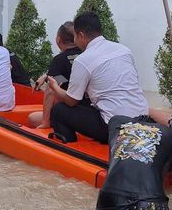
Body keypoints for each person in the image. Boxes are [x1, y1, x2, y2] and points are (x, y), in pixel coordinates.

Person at [47, 11, 148, 143]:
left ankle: (68, 147)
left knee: (59, 110)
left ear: (81, 35)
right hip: (143, 120)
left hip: (113, 127)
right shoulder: (124, 50)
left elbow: (72, 101)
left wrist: (54, 87)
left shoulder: (83, 59)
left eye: (75, 37)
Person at [28, 21, 82, 128]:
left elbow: (50, 91)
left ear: (58, 40)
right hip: (89, 111)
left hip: (71, 110)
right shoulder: (86, 55)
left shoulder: (60, 60)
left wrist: (45, 122)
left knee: (32, 118)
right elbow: (67, 75)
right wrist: (46, 76)